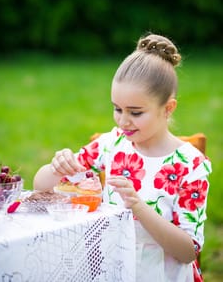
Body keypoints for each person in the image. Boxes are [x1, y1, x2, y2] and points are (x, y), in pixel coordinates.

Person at [34, 33, 212, 282]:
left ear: (168, 108)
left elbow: (187, 251)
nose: (123, 120)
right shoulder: (111, 144)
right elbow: (40, 187)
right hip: (113, 269)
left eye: (136, 112)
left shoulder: (190, 165)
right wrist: (57, 167)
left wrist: (139, 206)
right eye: (117, 109)